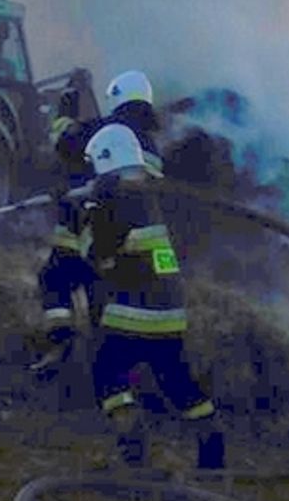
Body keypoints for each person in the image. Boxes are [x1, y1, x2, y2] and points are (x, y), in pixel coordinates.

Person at [80, 123, 225, 469]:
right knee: (178, 384)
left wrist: (83, 215)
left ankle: (132, 443)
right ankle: (212, 452)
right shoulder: (149, 199)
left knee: (107, 373)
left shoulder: (110, 202)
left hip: (132, 313)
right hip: (171, 315)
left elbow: (94, 257)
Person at [31, 70, 163, 372]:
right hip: (131, 242)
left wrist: (66, 108)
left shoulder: (107, 131)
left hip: (86, 231)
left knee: (54, 279)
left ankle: (62, 345)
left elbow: (63, 145)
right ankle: (110, 370)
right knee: (104, 302)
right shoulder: (153, 148)